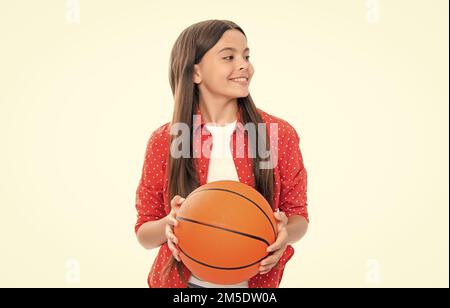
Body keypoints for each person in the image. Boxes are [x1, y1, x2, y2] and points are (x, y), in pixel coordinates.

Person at [134, 19, 309, 288]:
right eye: (229, 57)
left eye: (246, 56)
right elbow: (144, 232)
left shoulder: (278, 134)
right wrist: (168, 224)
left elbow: (298, 216)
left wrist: (284, 233)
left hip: (256, 286)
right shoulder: (165, 141)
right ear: (195, 73)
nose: (244, 65)